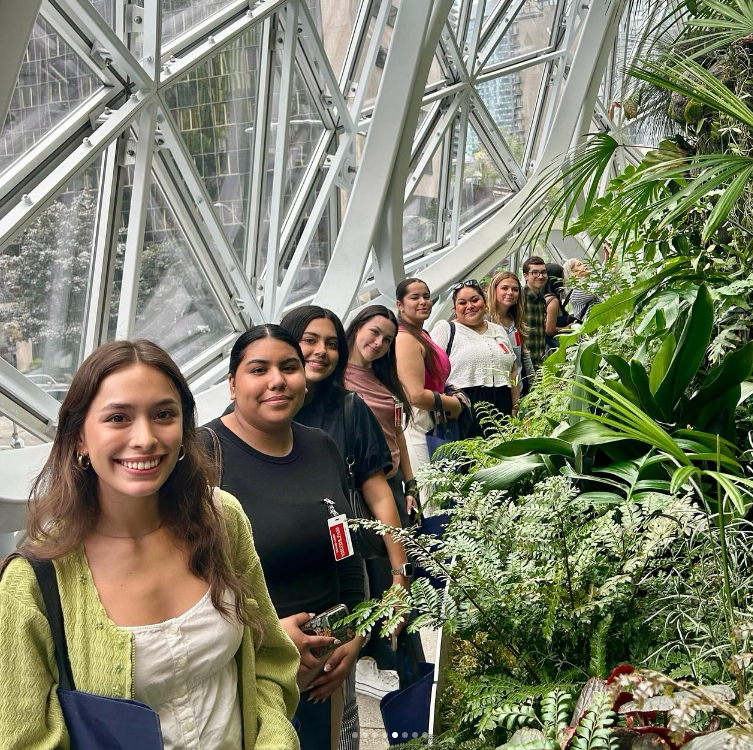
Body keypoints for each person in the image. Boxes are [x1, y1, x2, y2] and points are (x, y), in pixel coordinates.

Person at [0, 339, 301, 750]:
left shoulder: (221, 520)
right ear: (79, 439)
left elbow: (268, 659)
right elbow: (23, 736)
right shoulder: (34, 582)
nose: (145, 438)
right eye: (118, 418)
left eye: (163, 414)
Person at [202, 325, 365, 750]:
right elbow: (184, 580)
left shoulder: (320, 447)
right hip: (247, 677)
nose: (277, 380)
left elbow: (343, 548)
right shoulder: (202, 455)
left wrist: (355, 634)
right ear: (233, 383)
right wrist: (267, 638)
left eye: (289, 368)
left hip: (324, 675)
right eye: (259, 369)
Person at [278, 306, 412, 750]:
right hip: (273, 588)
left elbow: (377, 494)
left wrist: (398, 574)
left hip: (338, 572)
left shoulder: (349, 411)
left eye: (331, 342)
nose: (321, 351)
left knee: (331, 703)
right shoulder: (246, 418)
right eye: (310, 340)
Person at [344, 305, 424, 698]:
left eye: (387, 340)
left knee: (398, 576)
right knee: (373, 577)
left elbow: (399, 435)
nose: (378, 344)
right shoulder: (337, 379)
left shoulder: (382, 380)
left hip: (390, 486)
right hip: (361, 492)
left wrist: (411, 485)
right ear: (356, 327)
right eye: (373, 333)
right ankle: (373, 660)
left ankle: (397, 663)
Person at [394, 277, 464, 478]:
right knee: (430, 490)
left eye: (426, 296)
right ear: (400, 304)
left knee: (443, 486)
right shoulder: (404, 339)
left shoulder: (421, 333)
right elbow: (415, 395)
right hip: (418, 422)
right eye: (414, 297)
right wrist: (454, 404)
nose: (423, 301)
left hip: (434, 419)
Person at [431, 280, 519, 435]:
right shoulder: (447, 329)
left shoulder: (498, 330)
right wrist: (441, 403)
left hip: (502, 407)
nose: (469, 306)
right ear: (455, 309)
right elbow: (429, 369)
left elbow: (512, 370)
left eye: (475, 300)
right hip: (464, 409)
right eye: (462, 303)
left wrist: (515, 404)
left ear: (485, 303)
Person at [488, 270, 535, 397]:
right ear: (494, 290)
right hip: (495, 393)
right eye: (504, 288)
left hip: (518, 391)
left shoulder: (515, 321)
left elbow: (523, 356)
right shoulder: (485, 322)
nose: (510, 293)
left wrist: (534, 386)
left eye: (515, 289)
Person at [521, 256, 549, 369]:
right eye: (535, 273)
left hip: (538, 361)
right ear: (525, 275)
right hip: (524, 363)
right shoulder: (520, 298)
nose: (540, 276)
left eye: (543, 272)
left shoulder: (541, 300)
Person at [563, 258, 602, 323]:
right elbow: (602, 287)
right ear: (573, 273)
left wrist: (607, 258)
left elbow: (602, 280)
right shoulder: (577, 291)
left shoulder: (585, 285)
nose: (585, 265)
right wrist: (613, 265)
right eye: (579, 265)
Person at [543, 263, 571, 348]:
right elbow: (550, 330)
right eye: (562, 277)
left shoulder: (544, 296)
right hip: (554, 346)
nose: (563, 280)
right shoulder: (553, 301)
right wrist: (568, 328)